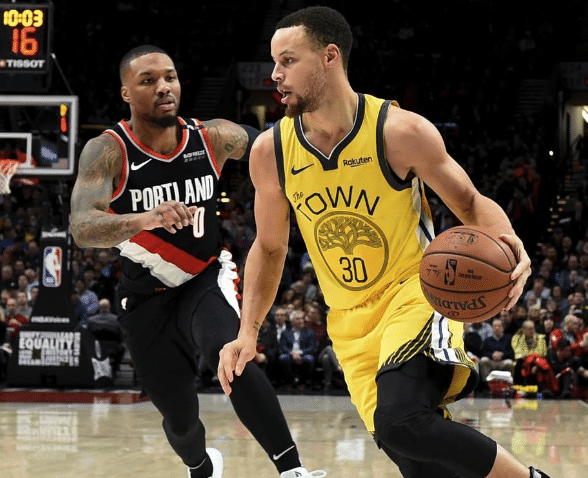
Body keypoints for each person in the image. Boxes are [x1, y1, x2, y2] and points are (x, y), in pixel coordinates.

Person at [216, 6, 551, 478]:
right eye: (275, 62)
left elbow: (471, 202)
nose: (275, 74)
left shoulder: (399, 132)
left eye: (288, 61)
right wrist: (247, 332)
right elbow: (270, 248)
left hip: (414, 294)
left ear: (329, 56)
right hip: (348, 322)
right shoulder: (271, 151)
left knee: (401, 421)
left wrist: (509, 242)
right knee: (419, 463)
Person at [70, 45, 324, 478]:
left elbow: (283, 143)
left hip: (202, 277)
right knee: (180, 419)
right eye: (148, 80)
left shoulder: (213, 137)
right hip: (144, 297)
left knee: (231, 354)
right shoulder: (108, 150)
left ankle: (292, 470)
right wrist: (145, 218)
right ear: (126, 93)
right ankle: (201, 466)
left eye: (169, 76)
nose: (163, 87)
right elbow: (81, 226)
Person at [278, 309, 317, 390]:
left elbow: (311, 348)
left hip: (304, 354)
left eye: (302, 318)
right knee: (283, 358)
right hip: (290, 354)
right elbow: (283, 347)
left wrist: (299, 353)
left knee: (309, 359)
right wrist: (292, 353)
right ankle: (290, 382)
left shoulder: (309, 332)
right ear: (292, 321)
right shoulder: (285, 333)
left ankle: (303, 382)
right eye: (298, 319)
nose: (301, 321)